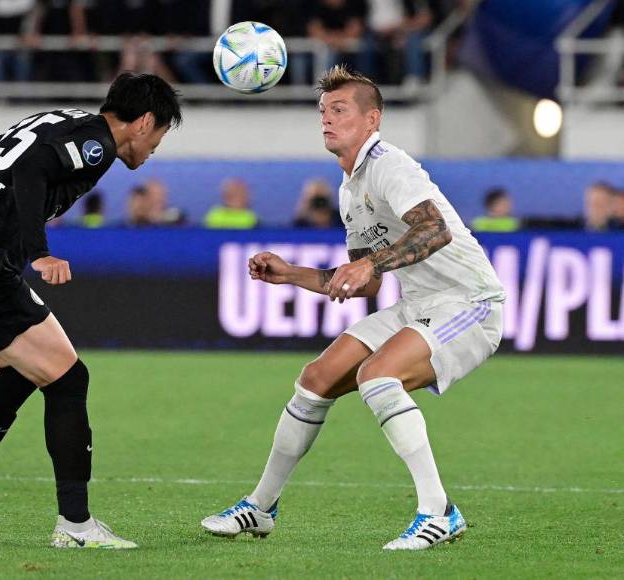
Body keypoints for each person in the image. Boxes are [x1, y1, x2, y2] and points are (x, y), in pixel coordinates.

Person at [201, 65, 505, 550]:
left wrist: (371, 264)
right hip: (418, 303)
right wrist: (291, 273)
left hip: (470, 303)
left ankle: (439, 512)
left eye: (339, 109)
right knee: (316, 379)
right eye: (323, 110)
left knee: (377, 376)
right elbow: (364, 283)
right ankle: (260, 507)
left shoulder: (389, 164)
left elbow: (435, 229)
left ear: (372, 119)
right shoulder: (349, 189)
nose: (326, 119)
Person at [0, 72, 182, 549]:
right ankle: (75, 526)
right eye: (159, 135)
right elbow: (32, 169)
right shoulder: (98, 145)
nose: (155, 147)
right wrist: (40, 253)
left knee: (27, 371)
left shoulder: (57, 120)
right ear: (143, 122)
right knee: (69, 379)